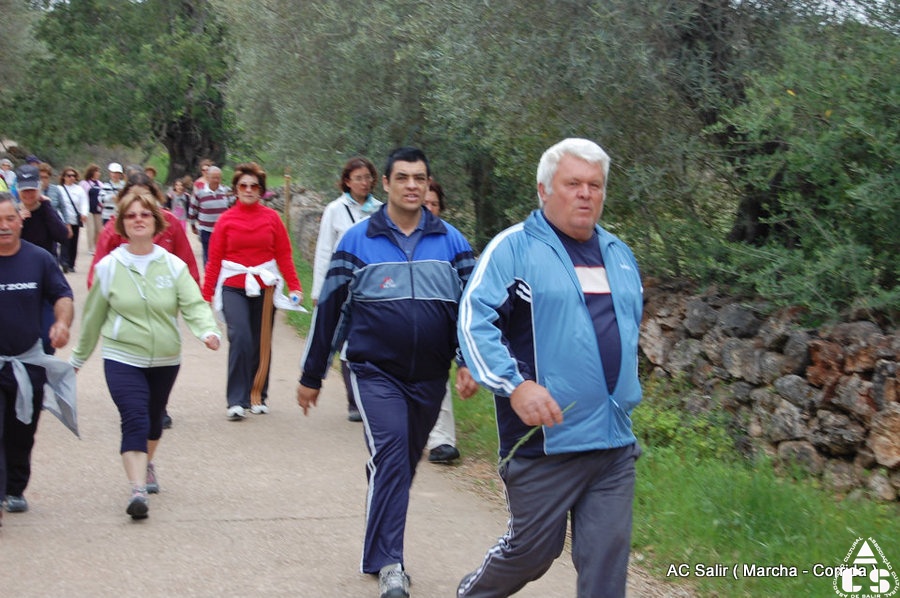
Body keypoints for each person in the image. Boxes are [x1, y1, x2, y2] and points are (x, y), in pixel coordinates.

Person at [456, 138, 644, 598]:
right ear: (544, 190)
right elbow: (473, 322)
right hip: (542, 443)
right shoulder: (514, 249)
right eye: (573, 183)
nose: (586, 193)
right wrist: (514, 385)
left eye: (595, 185)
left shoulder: (620, 255)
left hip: (612, 443)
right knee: (534, 552)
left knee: (606, 561)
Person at [297, 147, 478, 598]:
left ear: (428, 183)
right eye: (403, 177)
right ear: (386, 184)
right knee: (395, 454)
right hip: (373, 370)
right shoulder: (357, 242)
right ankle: (389, 564)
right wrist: (312, 374)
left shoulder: (452, 242)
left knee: (398, 461)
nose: (412, 185)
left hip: (429, 377)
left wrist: (469, 362)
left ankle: (379, 523)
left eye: (420, 177)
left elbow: (472, 311)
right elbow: (331, 313)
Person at [69, 189, 220, 520]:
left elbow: (193, 304)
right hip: (122, 356)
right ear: (122, 224)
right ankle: (137, 489)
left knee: (153, 422)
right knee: (134, 417)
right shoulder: (110, 266)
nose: (138, 220)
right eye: (131, 215)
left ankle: (146, 463)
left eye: (144, 214)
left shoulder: (173, 265)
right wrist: (78, 359)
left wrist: (207, 331)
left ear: (156, 221)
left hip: (166, 358)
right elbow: (93, 317)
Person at [202, 162, 303, 420]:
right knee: (241, 337)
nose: (248, 190)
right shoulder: (225, 220)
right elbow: (214, 260)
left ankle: (256, 395)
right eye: (243, 185)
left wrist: (295, 286)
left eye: (253, 186)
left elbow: (284, 254)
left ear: (261, 190)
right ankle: (236, 399)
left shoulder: (272, 218)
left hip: (265, 285)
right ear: (236, 189)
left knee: (261, 342)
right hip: (234, 286)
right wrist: (206, 294)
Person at [0, 192, 75, 518]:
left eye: (9, 219)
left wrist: (61, 322)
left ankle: (15, 488)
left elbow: (62, 295)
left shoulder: (39, 259)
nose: (3, 227)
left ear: (21, 219)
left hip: (28, 363)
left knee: (21, 432)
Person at [310, 156, 382, 422]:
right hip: (343, 286)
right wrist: (319, 290)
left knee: (374, 341)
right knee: (350, 343)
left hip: (375, 286)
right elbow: (324, 251)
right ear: (347, 182)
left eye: (367, 177)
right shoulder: (335, 210)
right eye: (358, 178)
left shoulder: (381, 210)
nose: (364, 182)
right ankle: (355, 401)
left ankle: (374, 395)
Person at [88, 173, 200, 289]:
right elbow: (96, 276)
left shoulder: (170, 223)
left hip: (163, 295)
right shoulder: (113, 227)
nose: (139, 200)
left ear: (154, 196)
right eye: (133, 195)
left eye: (145, 195)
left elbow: (188, 266)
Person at [422, 180, 462, 464]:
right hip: (398, 329)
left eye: (434, 204)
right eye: (425, 203)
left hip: (439, 325)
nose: (429, 209)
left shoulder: (451, 240)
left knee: (438, 379)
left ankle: (442, 441)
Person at [17, 165, 71, 356]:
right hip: (17, 279)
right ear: (18, 189)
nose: (28, 194)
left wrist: (46, 207)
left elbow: (62, 235)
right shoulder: (11, 214)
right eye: (24, 190)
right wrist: (18, 223)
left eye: (32, 189)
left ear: (39, 187)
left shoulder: (46, 210)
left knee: (47, 335)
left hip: (43, 277)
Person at [188, 165, 231, 265]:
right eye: (214, 177)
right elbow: (192, 210)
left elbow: (232, 208)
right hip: (206, 230)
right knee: (208, 256)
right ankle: (209, 278)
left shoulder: (226, 192)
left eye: (218, 178)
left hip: (222, 230)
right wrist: (193, 225)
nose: (216, 180)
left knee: (222, 256)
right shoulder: (200, 193)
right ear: (208, 177)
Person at [57, 167, 89, 273]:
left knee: (74, 242)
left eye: (73, 176)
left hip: (75, 219)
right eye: (68, 176)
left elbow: (84, 202)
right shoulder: (59, 189)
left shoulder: (79, 189)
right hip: (63, 219)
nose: (71, 178)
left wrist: (84, 213)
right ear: (64, 177)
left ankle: (71, 264)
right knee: (65, 241)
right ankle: (64, 261)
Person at [80, 163, 104, 254]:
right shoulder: (84, 183)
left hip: (98, 210)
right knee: (91, 229)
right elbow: (82, 196)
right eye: (96, 171)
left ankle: (98, 246)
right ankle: (91, 248)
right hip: (89, 210)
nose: (98, 173)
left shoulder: (100, 184)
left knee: (99, 229)